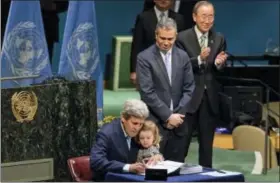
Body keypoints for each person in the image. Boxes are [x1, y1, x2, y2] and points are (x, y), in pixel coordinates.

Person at [176, 1, 228, 168]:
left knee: (206, 147)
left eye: (211, 16)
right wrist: (199, 59)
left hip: (209, 98)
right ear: (194, 17)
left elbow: (219, 68)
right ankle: (175, 174)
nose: (207, 20)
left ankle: (207, 176)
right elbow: (179, 66)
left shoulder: (219, 38)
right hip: (189, 98)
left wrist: (219, 63)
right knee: (181, 144)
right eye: (204, 16)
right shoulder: (182, 38)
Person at [136, 17, 195, 162]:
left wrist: (177, 116)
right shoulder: (144, 58)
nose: (166, 42)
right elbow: (147, 92)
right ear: (156, 35)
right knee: (154, 171)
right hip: (155, 126)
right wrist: (168, 116)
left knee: (177, 169)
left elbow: (189, 88)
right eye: (162, 38)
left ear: (175, 36)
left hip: (179, 125)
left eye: (170, 38)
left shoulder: (183, 56)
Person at [90, 99, 163, 181]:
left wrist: (157, 156)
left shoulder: (140, 131)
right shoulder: (107, 133)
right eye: (134, 123)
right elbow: (96, 161)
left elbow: (148, 148)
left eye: (141, 124)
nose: (137, 128)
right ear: (123, 118)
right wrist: (128, 167)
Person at [130, 0, 186, 86]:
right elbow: (136, 45)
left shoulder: (179, 19)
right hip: (149, 66)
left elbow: (181, 46)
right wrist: (134, 70)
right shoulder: (143, 17)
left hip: (172, 68)